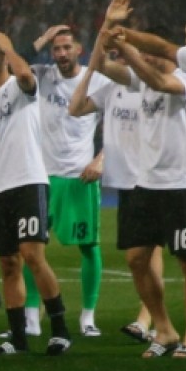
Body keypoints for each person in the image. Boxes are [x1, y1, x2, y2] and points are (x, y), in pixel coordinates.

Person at [0, 32, 72, 356]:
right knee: (8, 263)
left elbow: (24, 74)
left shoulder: (20, 88)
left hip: (29, 181)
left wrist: (10, 46)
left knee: (33, 255)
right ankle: (18, 338)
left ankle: (60, 330)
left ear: (4, 55)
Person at [90, 21, 186, 358]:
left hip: (179, 184)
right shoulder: (140, 78)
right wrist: (107, 29)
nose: (147, 59)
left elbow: (157, 79)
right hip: (145, 182)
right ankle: (164, 329)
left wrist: (124, 46)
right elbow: (98, 65)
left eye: (149, 53)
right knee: (136, 258)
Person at [66, 22, 161, 345]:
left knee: (152, 252)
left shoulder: (152, 86)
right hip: (126, 181)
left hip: (151, 177)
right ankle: (154, 323)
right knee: (138, 258)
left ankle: (149, 322)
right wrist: (99, 51)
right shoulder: (113, 88)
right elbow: (76, 107)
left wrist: (101, 159)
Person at [23, 25, 113, 337]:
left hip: (79, 176)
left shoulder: (97, 78)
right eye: (56, 49)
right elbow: (12, 62)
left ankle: (87, 317)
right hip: (41, 176)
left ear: (79, 50)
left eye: (66, 48)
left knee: (89, 246)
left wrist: (102, 159)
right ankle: (31, 317)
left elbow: (120, 122)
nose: (60, 54)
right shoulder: (41, 75)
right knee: (31, 247)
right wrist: (43, 37)